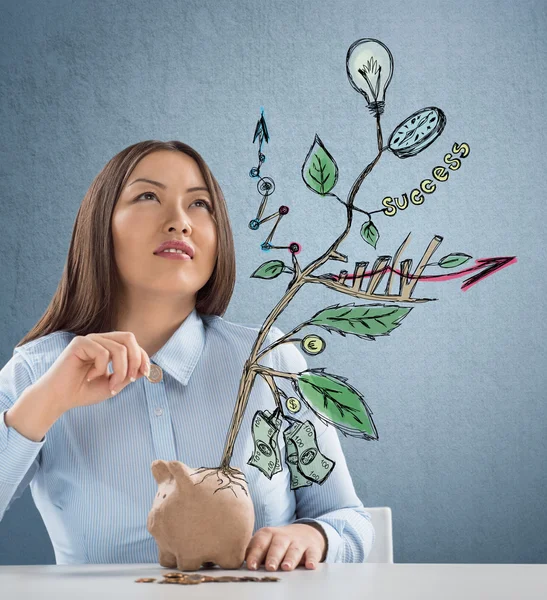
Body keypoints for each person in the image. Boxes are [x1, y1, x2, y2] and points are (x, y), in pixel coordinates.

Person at [0, 140, 375, 569]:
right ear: (100, 224)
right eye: (147, 196)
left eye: (200, 204)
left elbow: (349, 520)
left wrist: (314, 536)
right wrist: (46, 402)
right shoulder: (36, 371)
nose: (179, 222)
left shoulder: (271, 359)